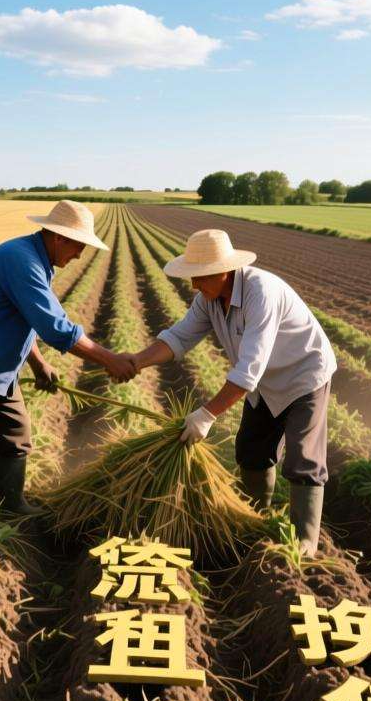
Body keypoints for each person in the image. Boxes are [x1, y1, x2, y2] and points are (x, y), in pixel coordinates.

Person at [0, 200, 136, 538]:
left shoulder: (37, 259)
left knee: (15, 436)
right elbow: (55, 326)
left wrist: (37, 363)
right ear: (58, 238)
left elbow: (24, 318)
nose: (80, 255)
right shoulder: (20, 260)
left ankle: (10, 505)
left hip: (0, 363)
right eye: (79, 246)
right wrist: (110, 359)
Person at [130, 229, 337, 555]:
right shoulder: (208, 300)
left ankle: (305, 543)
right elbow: (180, 338)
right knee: (251, 450)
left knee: (303, 458)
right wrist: (135, 362)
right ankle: (255, 516)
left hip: (303, 374)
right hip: (264, 383)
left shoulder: (260, 293)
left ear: (224, 270)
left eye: (199, 277)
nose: (194, 285)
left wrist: (206, 414)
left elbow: (248, 370)